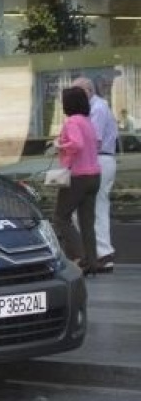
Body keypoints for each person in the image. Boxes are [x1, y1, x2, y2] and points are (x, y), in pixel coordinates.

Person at [53, 87, 101, 275]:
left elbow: (76, 144)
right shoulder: (88, 122)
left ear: (68, 104)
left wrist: (60, 145)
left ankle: (80, 257)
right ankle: (92, 262)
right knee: (87, 222)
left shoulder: (72, 122)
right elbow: (96, 144)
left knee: (61, 217)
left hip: (77, 176)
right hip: (94, 175)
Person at [73, 77, 118, 273]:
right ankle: (97, 254)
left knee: (94, 208)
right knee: (94, 207)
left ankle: (101, 254)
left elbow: (94, 140)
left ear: (87, 91)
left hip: (98, 160)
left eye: (75, 92)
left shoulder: (97, 108)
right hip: (99, 160)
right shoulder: (96, 107)